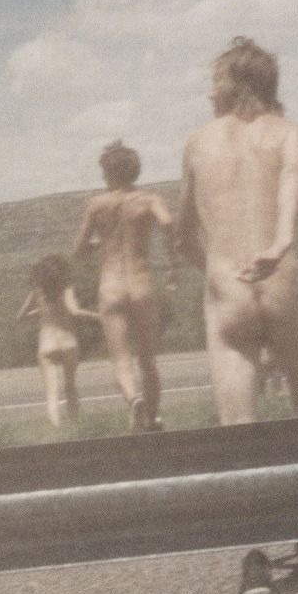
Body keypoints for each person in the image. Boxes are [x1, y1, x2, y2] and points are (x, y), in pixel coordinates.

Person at [178, 35, 298, 425]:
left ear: (236, 85)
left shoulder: (197, 142)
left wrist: (216, 270)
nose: (210, 93)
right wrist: (280, 243)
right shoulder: (292, 133)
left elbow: (184, 234)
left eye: (216, 82)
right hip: (283, 284)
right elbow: (291, 181)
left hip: (229, 292)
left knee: (238, 431)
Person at [73, 140, 176, 432]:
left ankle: (134, 400)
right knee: (148, 360)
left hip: (112, 285)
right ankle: (153, 418)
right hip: (141, 284)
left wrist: (99, 242)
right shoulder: (149, 199)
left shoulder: (97, 204)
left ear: (108, 172)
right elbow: (167, 223)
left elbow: (78, 250)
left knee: (120, 359)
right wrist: (172, 265)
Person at [17, 254, 100, 426]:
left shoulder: (37, 293)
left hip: (47, 344)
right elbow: (75, 311)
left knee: (52, 392)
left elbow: (20, 317)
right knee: (70, 387)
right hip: (68, 342)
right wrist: (99, 316)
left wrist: (40, 311)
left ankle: (57, 428)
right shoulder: (66, 289)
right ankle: (76, 424)